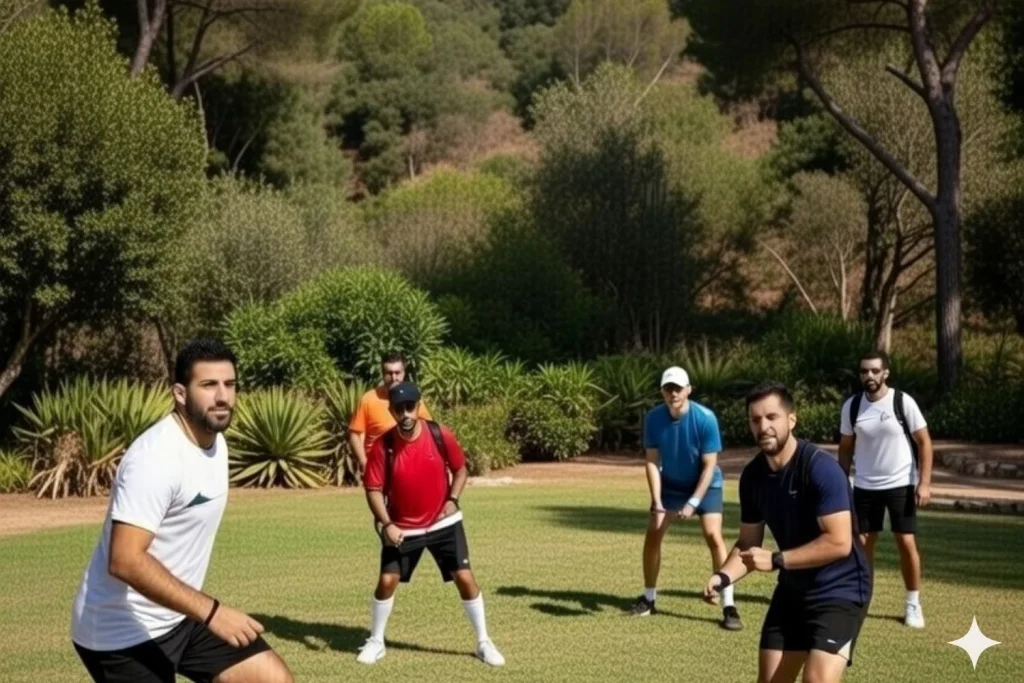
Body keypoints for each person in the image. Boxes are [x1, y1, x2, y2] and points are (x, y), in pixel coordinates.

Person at [70, 339, 293, 683]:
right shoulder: (154, 459)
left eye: (229, 384)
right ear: (179, 393)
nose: (222, 396)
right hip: (119, 634)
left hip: (178, 618)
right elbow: (125, 559)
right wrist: (213, 612)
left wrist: (203, 614)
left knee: (270, 678)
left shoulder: (215, 440)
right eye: (208, 385)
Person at [704, 383, 871, 683]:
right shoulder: (753, 476)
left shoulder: (819, 469)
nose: (763, 426)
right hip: (794, 589)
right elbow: (748, 543)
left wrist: (778, 560)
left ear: (791, 420)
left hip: (840, 590)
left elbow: (839, 542)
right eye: (755, 420)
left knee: (816, 680)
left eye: (772, 417)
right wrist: (723, 577)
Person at [356, 381, 504, 667]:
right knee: (387, 581)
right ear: (393, 411)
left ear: (419, 406)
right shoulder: (383, 446)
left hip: (443, 524)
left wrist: (453, 500)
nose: (406, 414)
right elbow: (373, 489)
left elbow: (460, 469)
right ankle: (376, 641)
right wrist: (387, 524)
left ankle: (483, 642)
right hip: (401, 527)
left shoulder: (439, 434)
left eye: (411, 407)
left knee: (464, 578)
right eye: (400, 409)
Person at [628, 366, 743, 631]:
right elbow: (652, 462)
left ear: (688, 390)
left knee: (713, 536)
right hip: (671, 485)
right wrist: (657, 500)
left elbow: (709, 465)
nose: (673, 394)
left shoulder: (705, 418)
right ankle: (648, 598)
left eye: (678, 389)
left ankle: (728, 604)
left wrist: (693, 503)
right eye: (668, 389)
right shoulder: (654, 418)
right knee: (653, 533)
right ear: (662, 392)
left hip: (706, 483)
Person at [838, 350, 933, 629]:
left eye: (875, 371)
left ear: (885, 373)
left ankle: (912, 603)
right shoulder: (852, 406)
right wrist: (841, 483)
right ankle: (862, 598)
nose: (869, 376)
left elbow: (924, 443)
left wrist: (924, 483)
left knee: (906, 542)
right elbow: (845, 449)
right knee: (863, 544)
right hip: (865, 485)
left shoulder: (903, 402)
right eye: (864, 371)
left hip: (900, 483)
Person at [348, 351, 433, 472]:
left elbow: (428, 428)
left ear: (403, 373)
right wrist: (364, 462)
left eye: (397, 373)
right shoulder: (369, 399)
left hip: (409, 464)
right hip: (378, 467)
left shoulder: (412, 398)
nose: (394, 378)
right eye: (389, 373)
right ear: (383, 374)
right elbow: (355, 434)